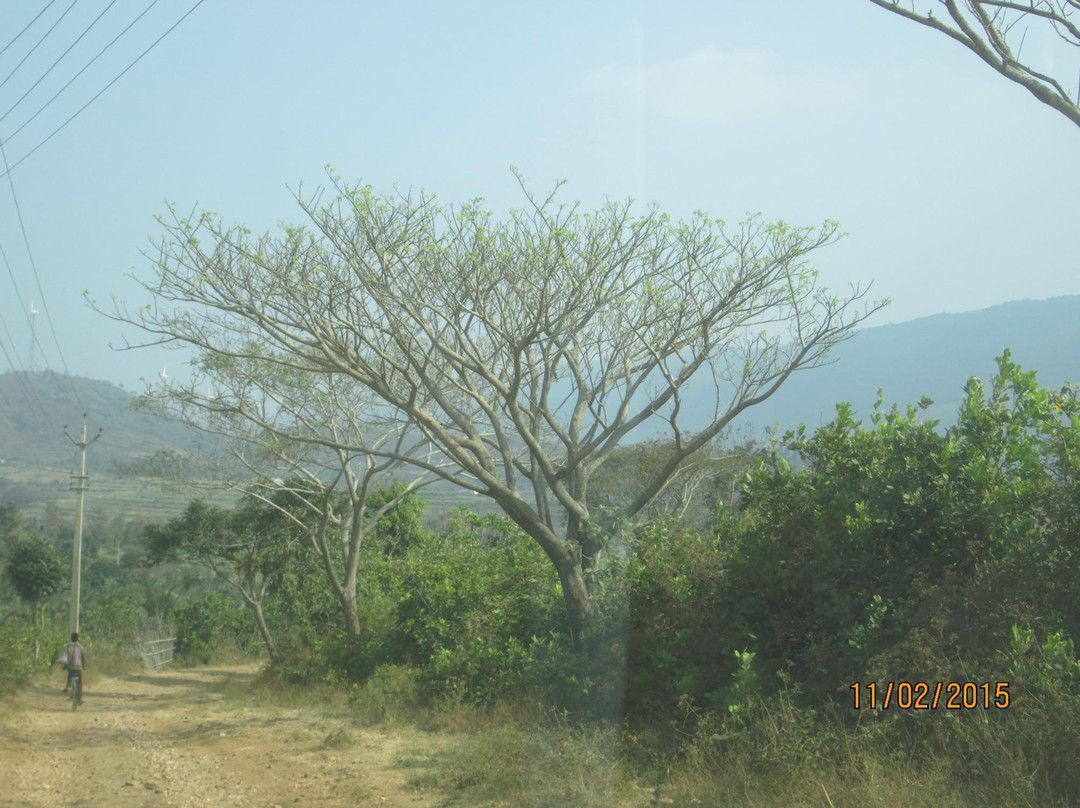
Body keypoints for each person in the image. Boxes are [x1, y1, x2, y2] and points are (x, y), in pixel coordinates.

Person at [56, 632, 86, 702]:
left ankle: (68, 686)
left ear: (71, 638)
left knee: (70, 675)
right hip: (78, 667)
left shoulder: (68, 646)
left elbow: (65, 657)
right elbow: (83, 657)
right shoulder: (80, 647)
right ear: (78, 639)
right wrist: (84, 666)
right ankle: (79, 699)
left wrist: (65, 666)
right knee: (79, 683)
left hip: (70, 666)